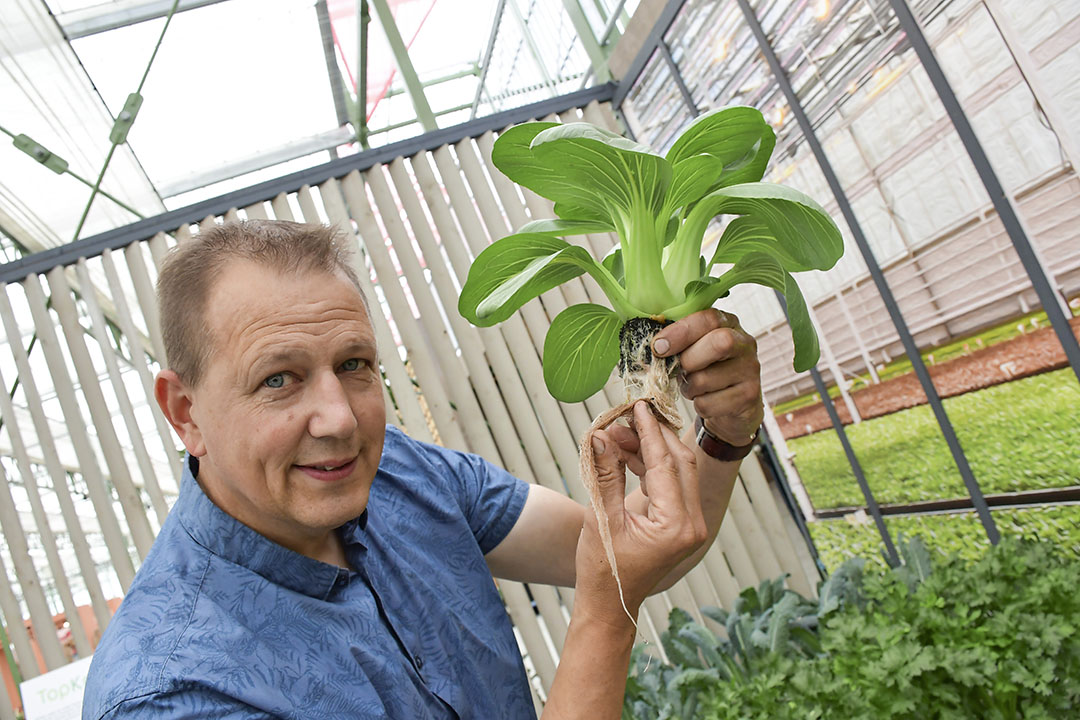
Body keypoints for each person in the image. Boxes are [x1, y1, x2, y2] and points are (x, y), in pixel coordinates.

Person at [82, 220, 764, 719]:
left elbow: (634, 553)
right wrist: (606, 617)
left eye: (353, 365)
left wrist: (723, 437)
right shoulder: (173, 691)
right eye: (279, 379)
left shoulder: (399, 471)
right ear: (185, 412)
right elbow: (613, 581)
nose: (339, 419)